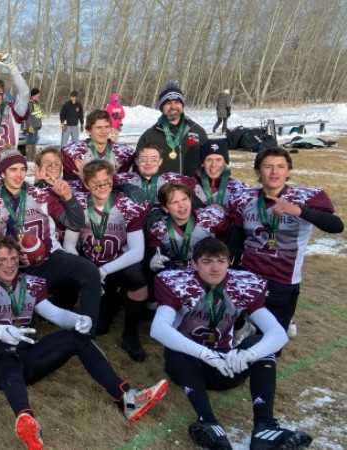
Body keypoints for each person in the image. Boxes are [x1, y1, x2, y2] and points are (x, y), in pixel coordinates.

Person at [0, 237, 168, 450]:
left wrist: (78, 319)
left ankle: (127, 399)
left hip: (28, 357)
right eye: (2, 260)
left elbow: (55, 314)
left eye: (13, 258)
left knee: (75, 337)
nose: (9, 264)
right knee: (7, 352)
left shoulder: (29, 283)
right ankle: (26, 420)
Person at [150, 238, 312, 450]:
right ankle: (208, 421)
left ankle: (265, 426)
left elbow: (278, 334)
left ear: (230, 262)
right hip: (189, 366)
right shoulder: (177, 282)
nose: (215, 268)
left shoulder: (243, 284)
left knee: (259, 342)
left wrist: (248, 355)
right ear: (194, 264)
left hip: (226, 365)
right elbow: (159, 329)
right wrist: (205, 354)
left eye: (221, 261)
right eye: (207, 261)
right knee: (177, 349)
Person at [0, 150, 103, 334]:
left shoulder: (41, 195)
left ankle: (87, 332)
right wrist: (11, 255)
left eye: (22, 169)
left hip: (49, 258)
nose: (19, 174)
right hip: (16, 268)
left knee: (90, 271)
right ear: (2, 173)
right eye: (13, 169)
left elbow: (75, 223)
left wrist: (68, 198)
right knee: (20, 329)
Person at [229, 148, 343, 334]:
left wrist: (300, 211)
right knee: (235, 336)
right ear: (258, 171)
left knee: (270, 340)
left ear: (288, 171)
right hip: (248, 276)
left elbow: (336, 226)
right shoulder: (245, 198)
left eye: (280, 166)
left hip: (282, 280)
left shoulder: (305, 197)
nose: (274, 172)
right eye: (268, 166)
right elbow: (236, 240)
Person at [62, 161, 150, 361]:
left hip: (117, 265)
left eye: (106, 182)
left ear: (112, 180)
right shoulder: (79, 204)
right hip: (90, 263)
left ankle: (130, 335)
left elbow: (137, 252)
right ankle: (111, 300)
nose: (102, 187)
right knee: (98, 327)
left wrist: (104, 271)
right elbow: (69, 244)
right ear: (86, 184)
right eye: (96, 183)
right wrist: (86, 271)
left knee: (137, 279)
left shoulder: (127, 206)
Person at [146, 183, 227, 273]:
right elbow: (154, 251)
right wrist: (153, 260)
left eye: (184, 199)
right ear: (165, 208)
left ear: (190, 200)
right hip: (178, 274)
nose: (182, 205)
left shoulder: (212, 218)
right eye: (175, 202)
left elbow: (229, 241)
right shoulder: (158, 229)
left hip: (210, 270)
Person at [136, 81, 207, 176]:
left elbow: (208, 163)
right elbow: (138, 168)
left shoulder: (197, 131)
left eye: (177, 102)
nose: (173, 107)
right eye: (168, 103)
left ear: (182, 105)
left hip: (191, 184)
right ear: (162, 107)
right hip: (161, 185)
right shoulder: (149, 136)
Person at [62, 110, 136, 192]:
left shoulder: (124, 153)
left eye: (106, 127)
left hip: (114, 196)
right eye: (99, 127)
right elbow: (69, 184)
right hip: (83, 196)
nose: (103, 131)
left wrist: (88, 177)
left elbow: (132, 179)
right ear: (88, 130)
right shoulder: (73, 153)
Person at [114, 144, 197, 209]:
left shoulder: (172, 179)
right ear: (137, 161)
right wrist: (124, 187)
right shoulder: (123, 179)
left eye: (153, 160)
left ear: (160, 162)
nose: (148, 163)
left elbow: (195, 187)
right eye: (143, 159)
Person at [193, 139, 246, 213]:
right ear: (202, 163)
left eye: (218, 160)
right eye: (209, 160)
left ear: (225, 162)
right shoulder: (190, 186)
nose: (213, 165)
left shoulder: (237, 189)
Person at [24, 88, 44, 160]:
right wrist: (29, 126)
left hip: (36, 126)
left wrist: (40, 124)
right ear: (33, 95)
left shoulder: (37, 104)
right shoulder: (29, 104)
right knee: (30, 142)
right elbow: (28, 116)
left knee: (34, 142)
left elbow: (39, 115)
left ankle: (33, 158)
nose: (38, 96)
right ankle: (29, 158)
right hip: (31, 126)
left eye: (39, 95)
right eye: (37, 95)